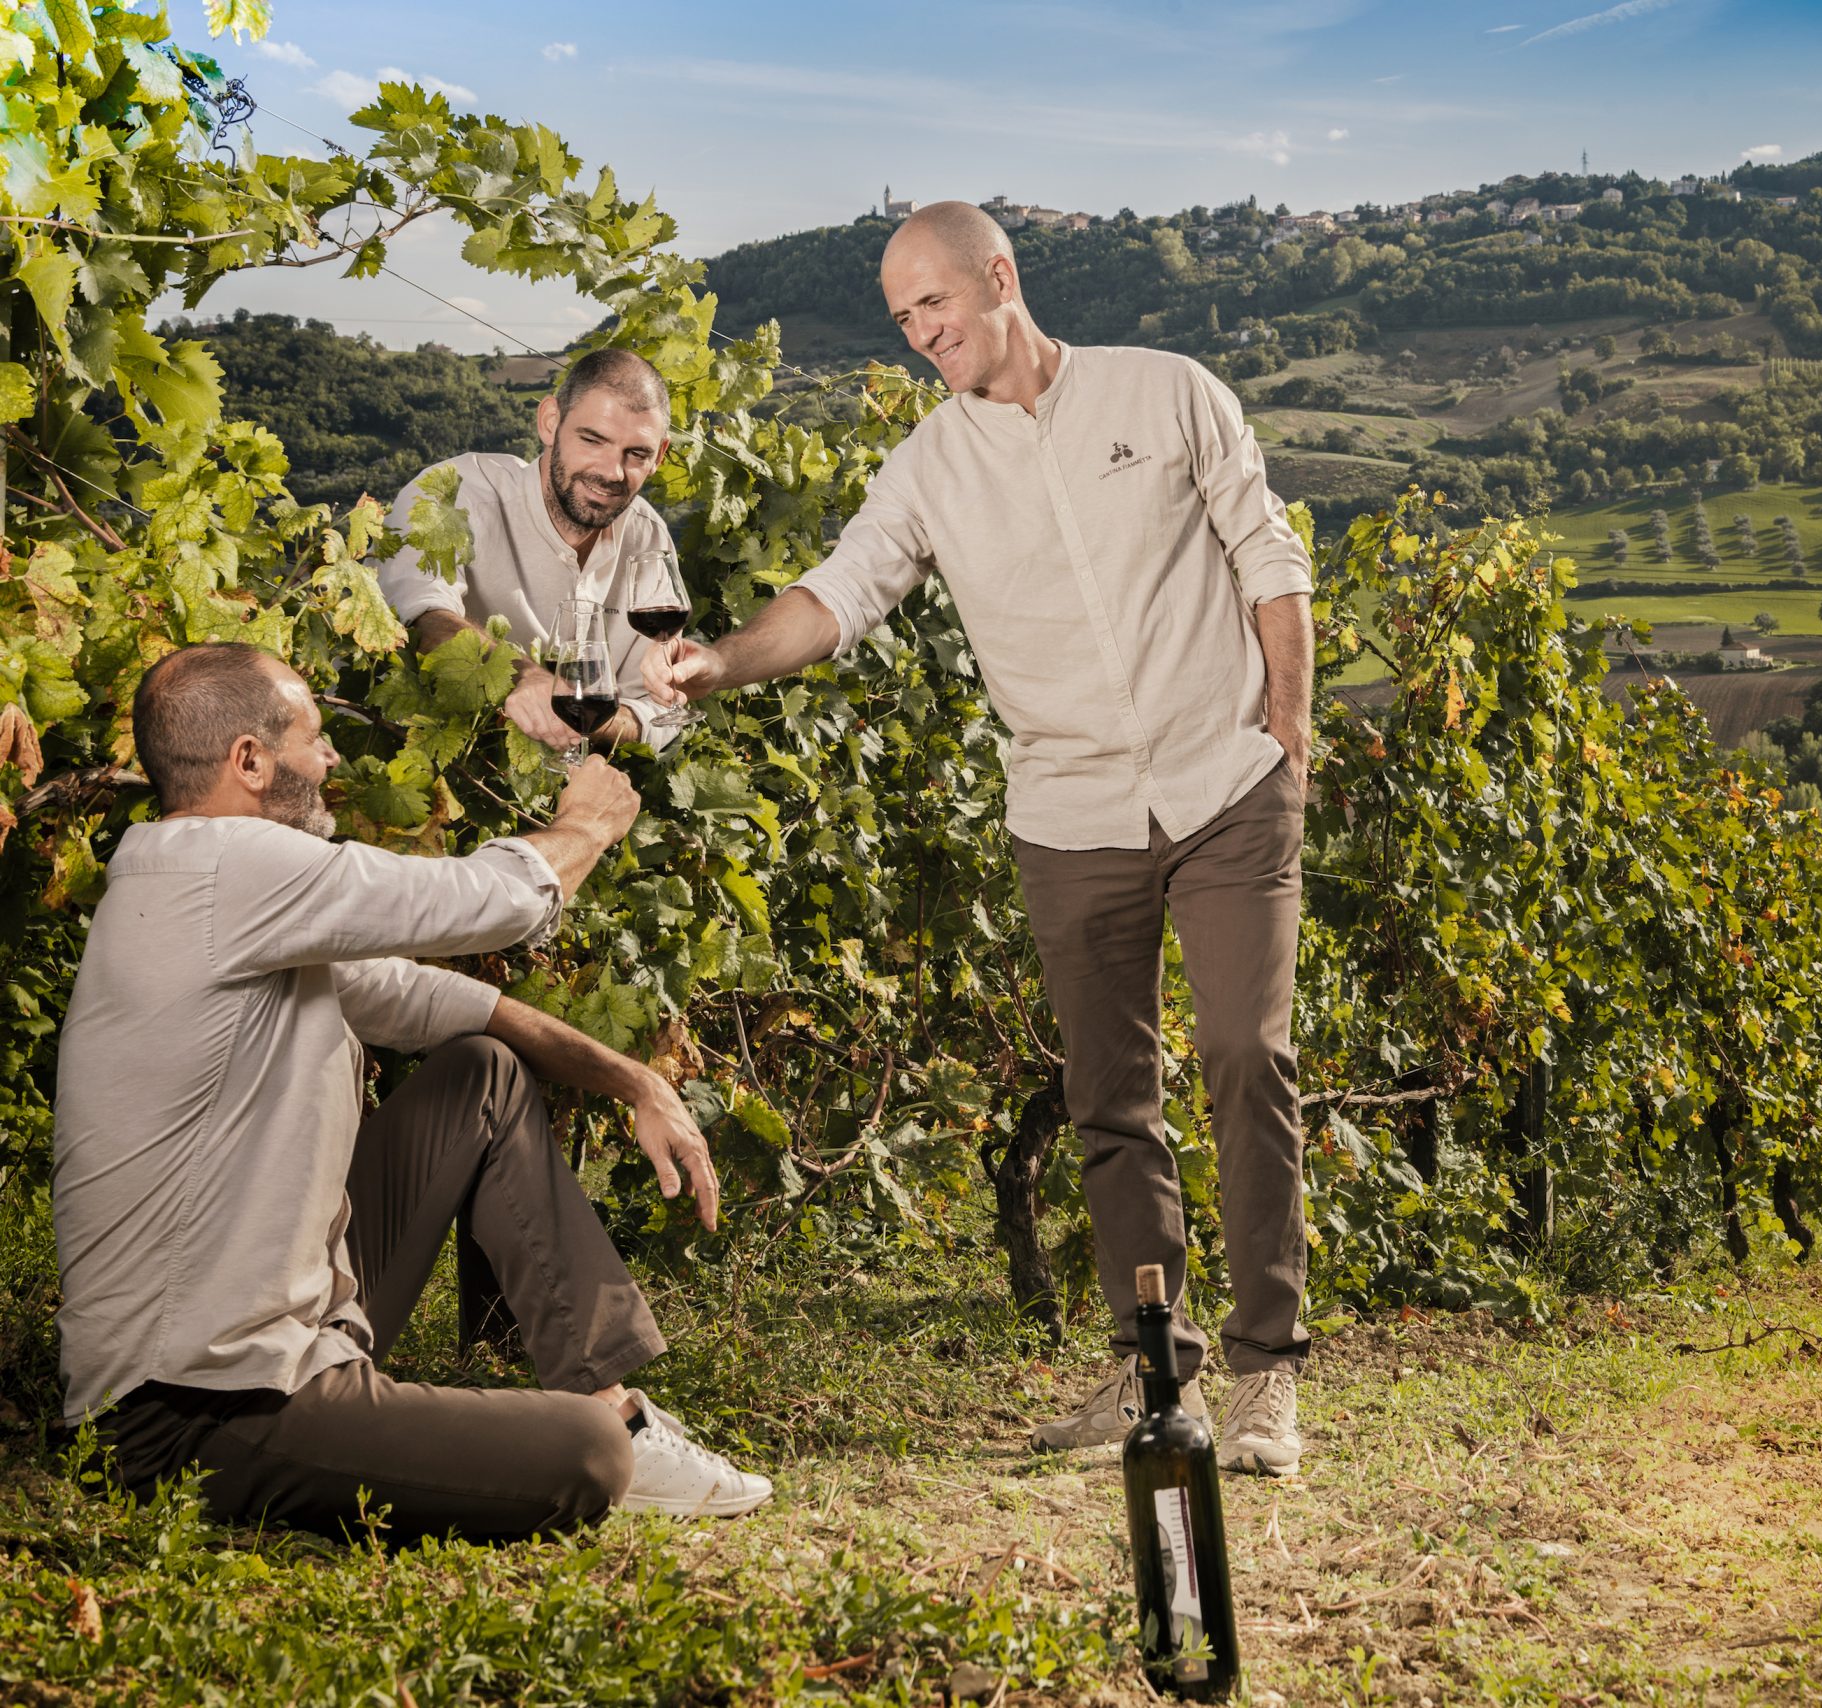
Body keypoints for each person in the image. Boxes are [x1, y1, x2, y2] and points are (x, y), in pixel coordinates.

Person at [645, 202, 1316, 1476]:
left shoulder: (1168, 392)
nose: (919, 336)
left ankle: (1267, 1372)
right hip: (1069, 817)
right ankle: (1148, 1362)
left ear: (998, 278)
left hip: (1225, 784)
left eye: (932, 306)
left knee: (1245, 1055)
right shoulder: (930, 467)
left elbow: (1268, 558)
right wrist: (718, 664)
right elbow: (837, 596)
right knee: (1110, 1102)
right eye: (902, 320)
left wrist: (1286, 738)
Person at [52, 642, 771, 1540]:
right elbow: (486, 900)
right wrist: (584, 826)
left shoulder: (204, 888)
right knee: (588, 1457)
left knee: (480, 1073)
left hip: (285, 1343)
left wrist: (632, 1080)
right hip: (188, 1412)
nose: (331, 761)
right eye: (315, 740)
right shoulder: (227, 864)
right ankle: (607, 1429)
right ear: (248, 761)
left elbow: (435, 999)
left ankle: (609, 1394)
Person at [372, 348, 692, 755]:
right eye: (593, 440)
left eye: (637, 454)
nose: (612, 472)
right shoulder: (452, 494)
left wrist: (589, 721)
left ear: (659, 457)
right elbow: (416, 617)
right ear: (550, 422)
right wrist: (525, 677)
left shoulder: (648, 539)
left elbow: (657, 709)